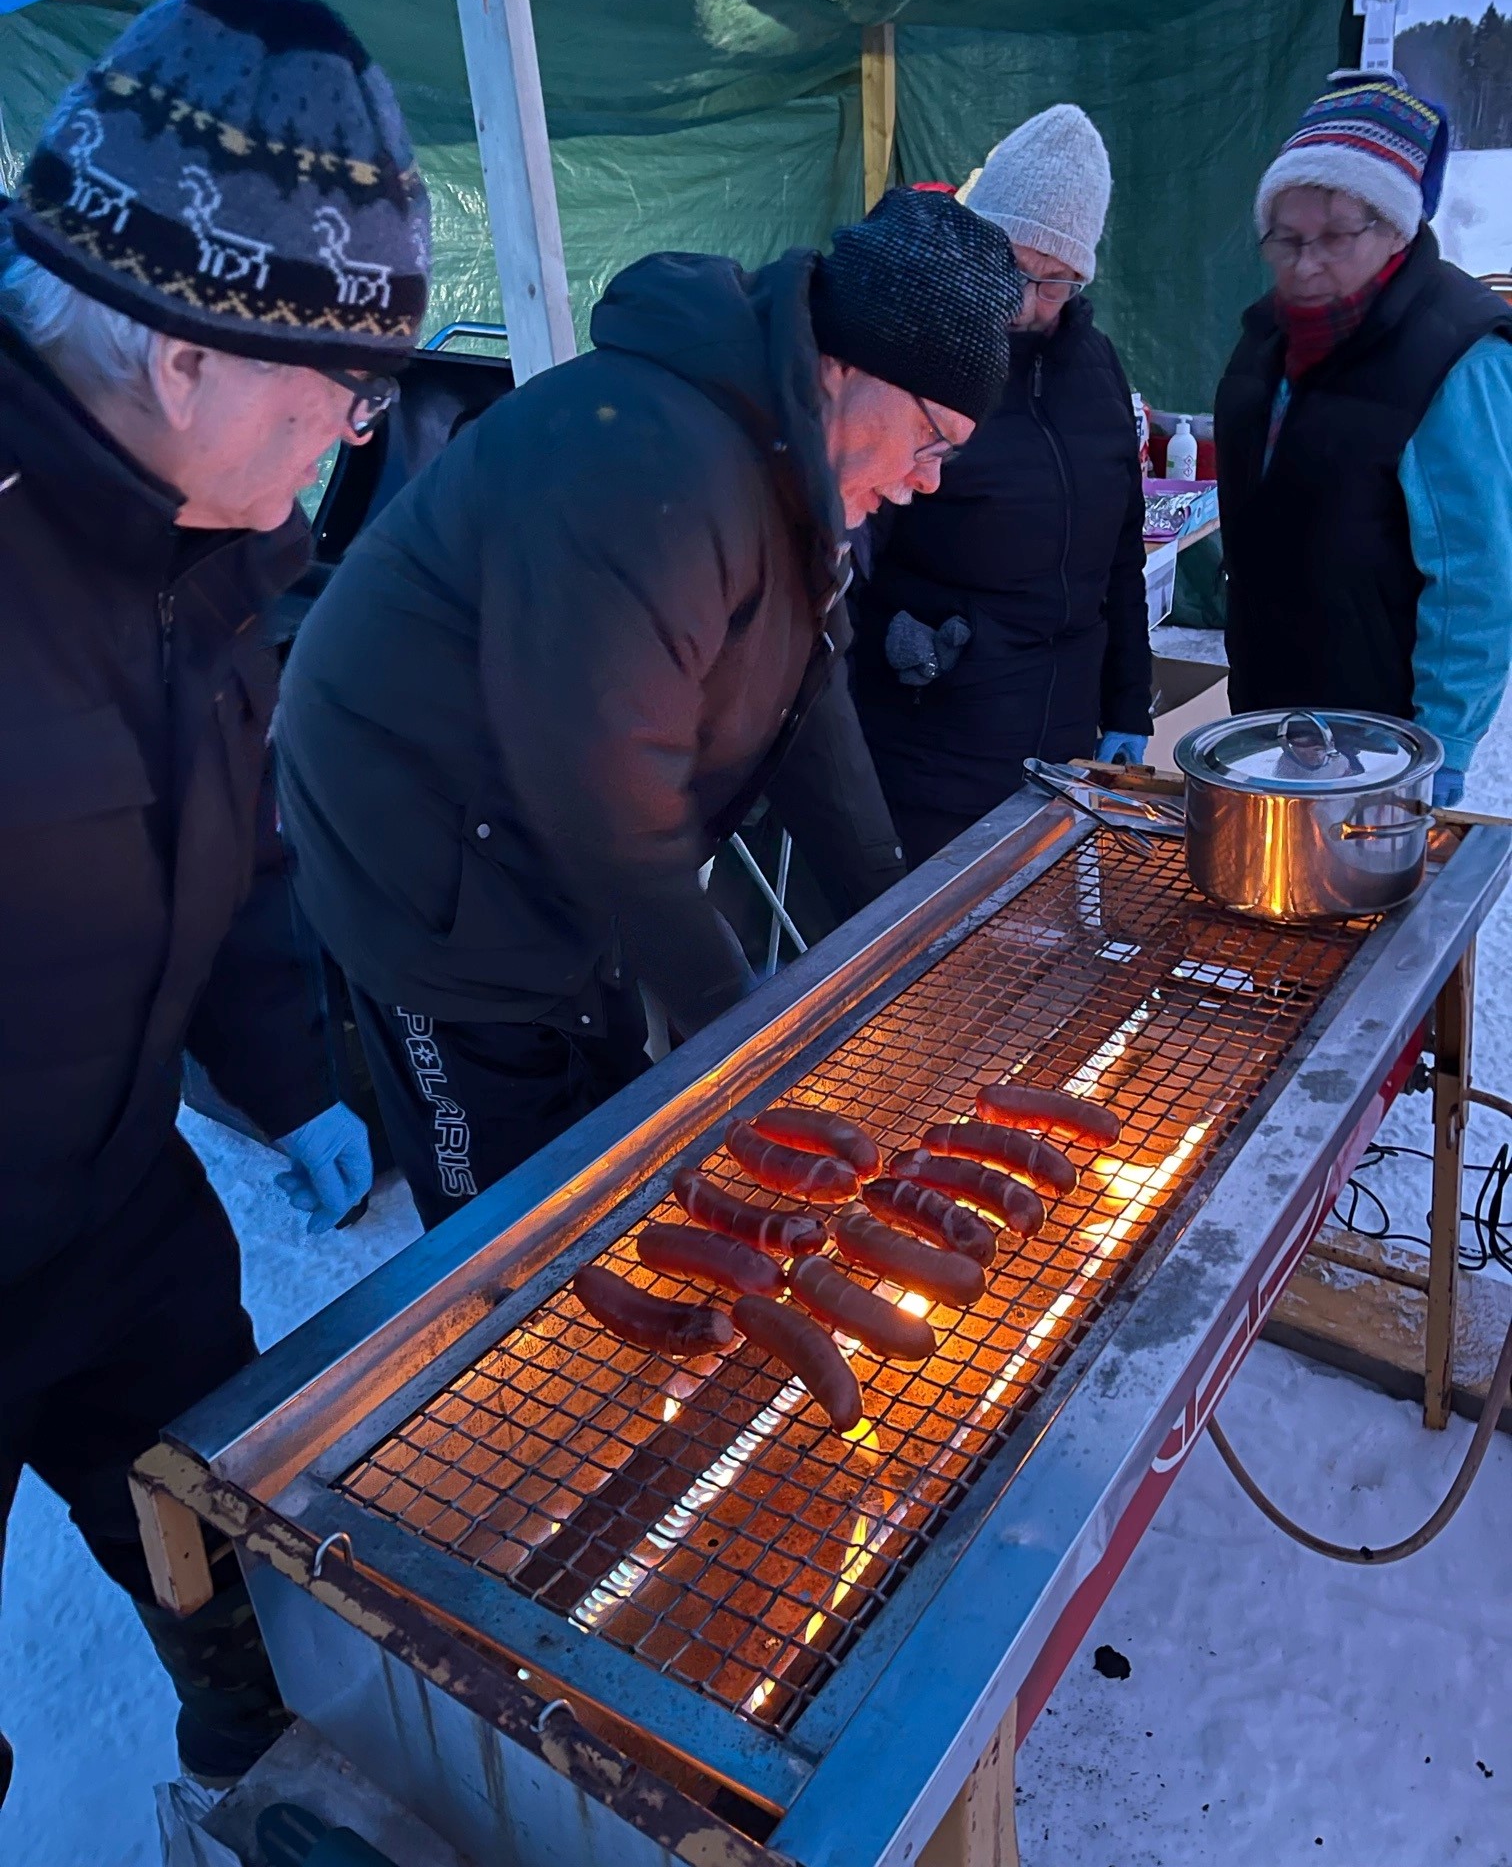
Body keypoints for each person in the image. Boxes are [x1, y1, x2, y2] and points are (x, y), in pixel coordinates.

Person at [275, 188, 1022, 1228]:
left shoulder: (789, 464)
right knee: (512, 1223)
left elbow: (813, 705)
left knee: (612, 1136)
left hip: (544, 844)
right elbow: (604, 790)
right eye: (933, 441)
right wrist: (739, 1037)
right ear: (849, 372)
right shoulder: (655, 462)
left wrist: (892, 918)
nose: (929, 482)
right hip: (423, 866)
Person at [0, 0, 430, 1784]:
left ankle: (270, 1804)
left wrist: (290, 1072)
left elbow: (230, 839)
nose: (351, 442)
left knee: (241, 1581)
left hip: (110, 1217)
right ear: (185, 355)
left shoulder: (209, 545)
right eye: (342, 394)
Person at [850, 108, 1153, 868]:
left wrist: (1127, 701)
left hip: (1065, 747)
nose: (1026, 301)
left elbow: (1121, 551)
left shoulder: (1097, 367)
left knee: (1037, 955)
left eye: (1055, 281)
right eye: (1012, 268)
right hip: (933, 739)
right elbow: (846, 552)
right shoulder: (916, 355)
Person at [1216, 72, 1512, 807]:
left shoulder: (1456, 353)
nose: (1304, 263)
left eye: (1334, 237)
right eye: (1285, 239)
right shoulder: (1267, 337)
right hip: (1271, 714)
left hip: (1385, 735)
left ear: (1394, 229)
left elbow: (1479, 578)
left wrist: (1439, 747)